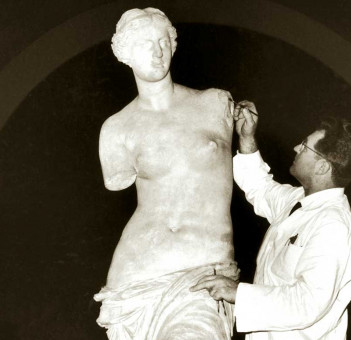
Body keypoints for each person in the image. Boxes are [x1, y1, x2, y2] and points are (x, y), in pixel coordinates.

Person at [93, 8, 239, 340]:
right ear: (125, 54)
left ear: (174, 45)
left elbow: (247, 173)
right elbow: (119, 181)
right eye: (145, 44)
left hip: (202, 274)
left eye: (163, 41)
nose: (158, 52)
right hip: (133, 281)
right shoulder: (116, 129)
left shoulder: (215, 104)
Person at [191, 101, 351, 339]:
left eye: (305, 147)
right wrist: (247, 136)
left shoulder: (333, 226)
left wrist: (238, 293)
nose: (296, 148)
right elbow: (259, 186)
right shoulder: (298, 201)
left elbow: (308, 302)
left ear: (323, 167)